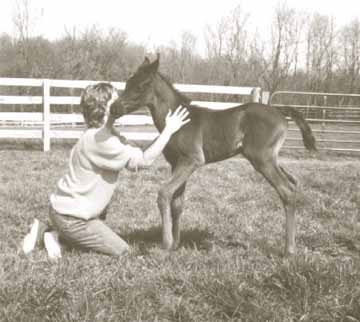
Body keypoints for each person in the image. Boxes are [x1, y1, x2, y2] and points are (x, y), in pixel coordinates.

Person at [22, 82, 190, 258]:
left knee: (99, 243)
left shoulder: (103, 134)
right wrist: (168, 130)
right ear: (104, 108)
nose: (122, 102)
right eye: (116, 100)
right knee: (124, 252)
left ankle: (49, 232)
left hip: (66, 212)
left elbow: (137, 154)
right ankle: (51, 236)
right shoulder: (102, 141)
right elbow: (144, 160)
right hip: (74, 219)